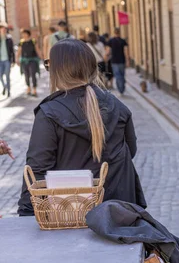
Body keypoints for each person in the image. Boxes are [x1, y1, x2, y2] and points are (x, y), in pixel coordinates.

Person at [17, 39, 146, 216]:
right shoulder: (118, 106)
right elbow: (129, 152)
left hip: (71, 216)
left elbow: (36, 172)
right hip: (119, 215)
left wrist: (25, 214)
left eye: (49, 66)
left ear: (58, 71)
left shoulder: (48, 114)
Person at [105, 28, 129, 96]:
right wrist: (127, 61)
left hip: (114, 61)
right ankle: (122, 88)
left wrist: (106, 57)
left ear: (114, 33)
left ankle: (120, 89)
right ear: (119, 33)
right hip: (122, 61)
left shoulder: (111, 41)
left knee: (117, 76)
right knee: (122, 75)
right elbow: (126, 51)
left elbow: (108, 51)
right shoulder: (123, 41)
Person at [17, 30, 41, 97]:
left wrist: (42, 57)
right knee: (26, 75)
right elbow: (18, 52)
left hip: (33, 60)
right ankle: (28, 88)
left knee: (33, 74)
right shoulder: (21, 42)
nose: (24, 35)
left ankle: (34, 89)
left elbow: (37, 50)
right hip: (24, 61)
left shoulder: (33, 41)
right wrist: (17, 59)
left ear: (28, 34)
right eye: (23, 34)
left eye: (25, 33)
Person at [0, 22, 15, 97]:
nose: (3, 30)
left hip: (7, 60)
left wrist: (13, 61)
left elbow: (12, 50)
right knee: (0, 76)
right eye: (1, 28)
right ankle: (5, 87)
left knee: (7, 76)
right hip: (0, 61)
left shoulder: (9, 38)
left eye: (4, 28)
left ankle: (8, 91)